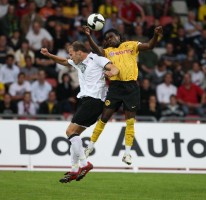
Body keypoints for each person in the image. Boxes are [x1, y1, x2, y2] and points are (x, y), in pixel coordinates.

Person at [82, 25, 163, 165]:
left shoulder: (130, 45)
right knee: (104, 118)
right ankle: (89, 147)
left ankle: (127, 154)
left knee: (130, 121)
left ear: (119, 36)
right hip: (115, 87)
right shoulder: (108, 51)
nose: (109, 40)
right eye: (106, 39)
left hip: (131, 87)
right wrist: (89, 36)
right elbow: (97, 49)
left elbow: (149, 45)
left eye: (111, 36)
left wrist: (155, 35)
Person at [40, 41, 119, 183]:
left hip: (94, 101)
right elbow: (64, 61)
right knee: (75, 135)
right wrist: (49, 55)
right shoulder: (78, 62)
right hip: (87, 102)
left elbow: (114, 68)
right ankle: (74, 170)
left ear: (79, 52)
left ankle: (84, 164)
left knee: (70, 132)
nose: (70, 56)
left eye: (71, 53)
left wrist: (110, 73)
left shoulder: (96, 59)